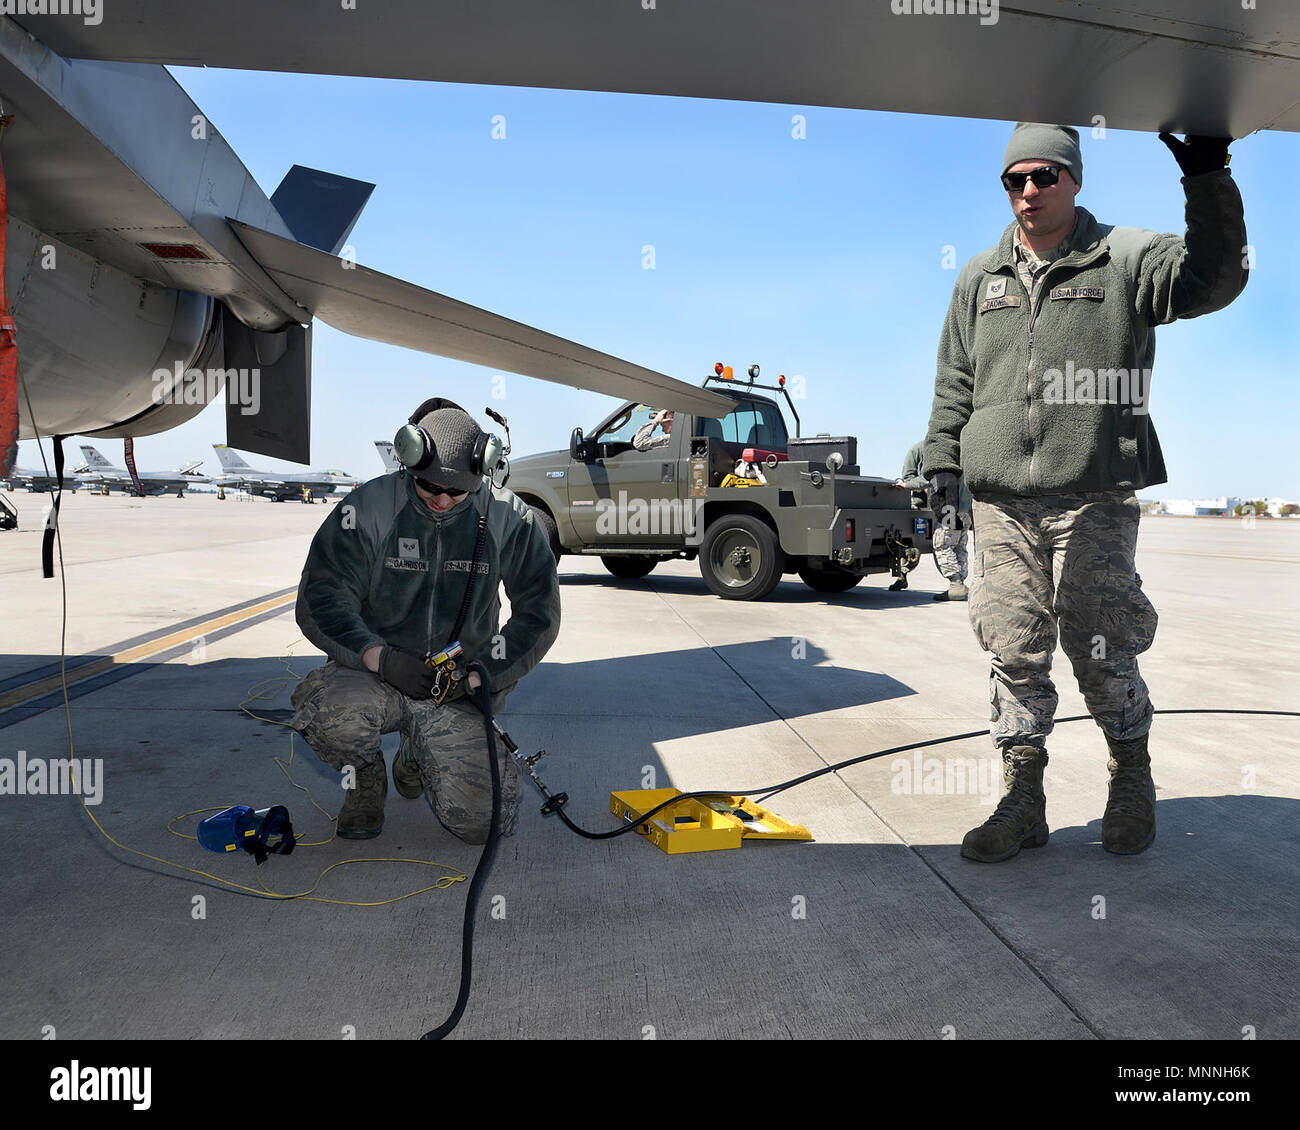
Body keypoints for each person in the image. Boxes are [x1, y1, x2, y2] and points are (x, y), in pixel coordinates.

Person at [922, 124, 1247, 862]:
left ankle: (1131, 775)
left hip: (1094, 491)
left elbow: (1214, 280)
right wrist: (942, 464)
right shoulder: (980, 277)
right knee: (1013, 649)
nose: (1028, 192)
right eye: (1014, 180)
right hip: (1001, 499)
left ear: (1072, 179)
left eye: (1043, 176)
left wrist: (1207, 177)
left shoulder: (1127, 257)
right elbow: (955, 383)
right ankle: (1022, 799)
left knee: (1100, 643)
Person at [290, 402, 561, 841]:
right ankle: (364, 778)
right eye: (428, 486)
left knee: (485, 824)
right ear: (410, 465)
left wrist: (481, 674)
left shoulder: (510, 519)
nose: (440, 499)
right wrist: (378, 656)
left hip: (458, 686)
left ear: (482, 473)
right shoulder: (369, 508)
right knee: (330, 713)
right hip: (379, 674)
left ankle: (416, 752)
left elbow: (538, 613)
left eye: (456, 492)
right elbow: (322, 596)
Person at [894, 439, 971, 600]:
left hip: (949, 509)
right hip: (963, 510)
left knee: (942, 543)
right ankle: (961, 584)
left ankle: (956, 585)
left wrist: (906, 485)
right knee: (959, 546)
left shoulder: (940, 455)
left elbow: (928, 478)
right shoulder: (959, 452)